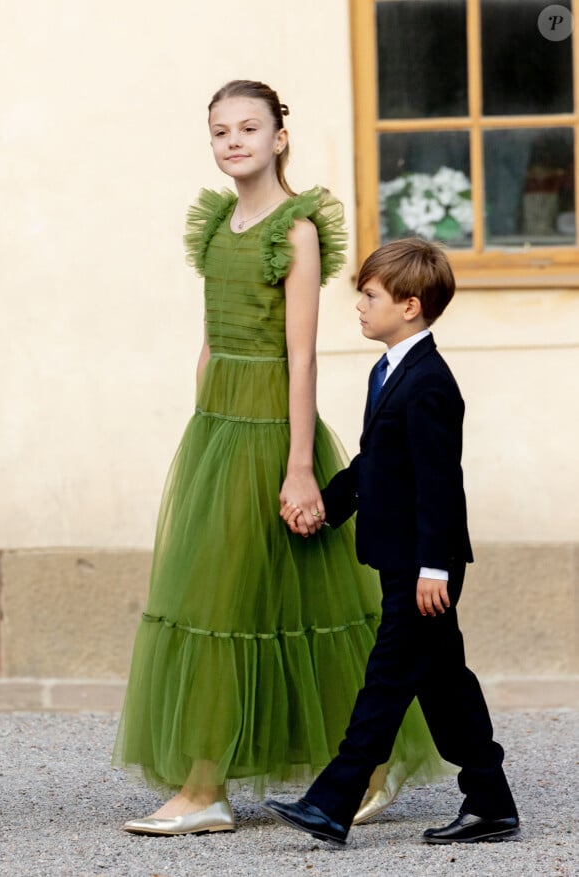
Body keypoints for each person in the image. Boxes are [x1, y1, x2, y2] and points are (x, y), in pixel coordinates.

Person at [113, 80, 449, 837]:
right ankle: (301, 770)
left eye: (248, 129)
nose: (233, 142)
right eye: (220, 131)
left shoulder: (295, 229)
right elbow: (210, 339)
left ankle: (216, 787)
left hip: (269, 427)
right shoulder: (217, 223)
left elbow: (302, 356)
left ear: (279, 138)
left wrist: (299, 465)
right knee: (255, 600)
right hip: (216, 429)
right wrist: (201, 428)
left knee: (237, 604)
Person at [264, 238, 520, 845]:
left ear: (409, 306)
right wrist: (327, 506)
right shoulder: (390, 371)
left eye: (370, 295)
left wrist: (435, 567)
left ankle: (331, 802)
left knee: (385, 682)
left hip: (423, 567)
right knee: (444, 684)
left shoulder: (429, 382)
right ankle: (491, 801)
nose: (358, 304)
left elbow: (439, 485)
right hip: (403, 559)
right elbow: (376, 462)